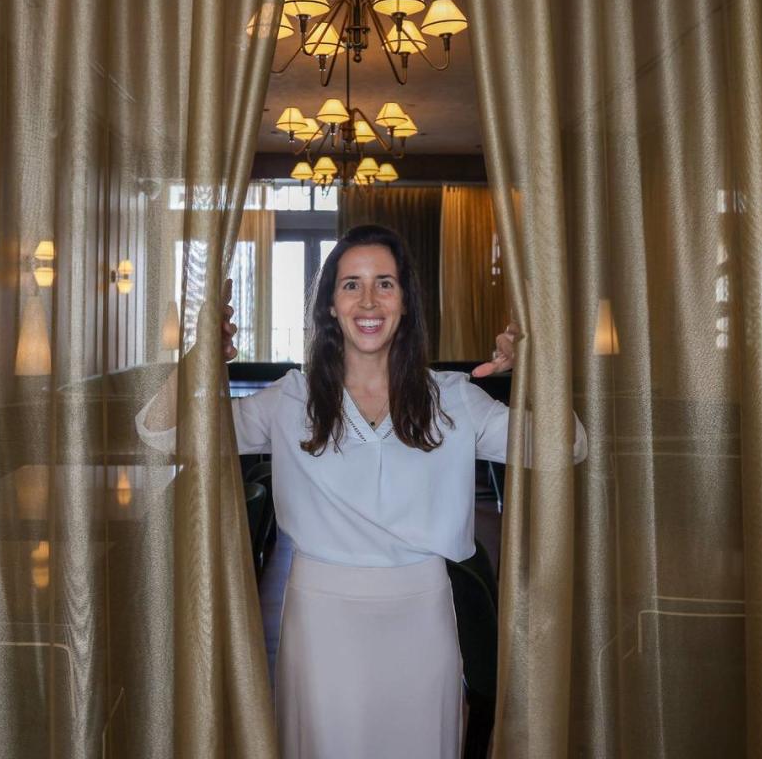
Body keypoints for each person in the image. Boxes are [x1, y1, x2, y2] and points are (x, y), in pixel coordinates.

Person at [136, 224, 587, 758]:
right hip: (321, 622)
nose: (368, 300)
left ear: (405, 302)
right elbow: (159, 432)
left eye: (385, 284)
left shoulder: (453, 399)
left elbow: (567, 447)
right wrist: (201, 355)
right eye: (351, 284)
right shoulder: (291, 399)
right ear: (330, 304)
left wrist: (537, 367)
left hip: (424, 620)